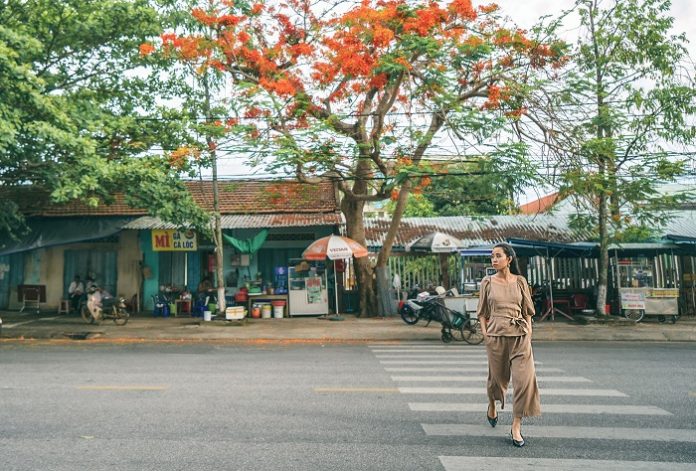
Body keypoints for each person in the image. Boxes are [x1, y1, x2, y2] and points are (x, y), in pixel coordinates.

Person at [477, 243, 541, 448]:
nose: (494, 260)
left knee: (524, 381)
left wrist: (529, 332)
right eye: (492, 256)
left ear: (509, 259)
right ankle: (492, 405)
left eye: (498, 256)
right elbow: (482, 313)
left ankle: (516, 425)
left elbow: (528, 311)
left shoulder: (520, 281)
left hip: (520, 336)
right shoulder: (487, 282)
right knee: (497, 380)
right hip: (496, 336)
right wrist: (486, 334)